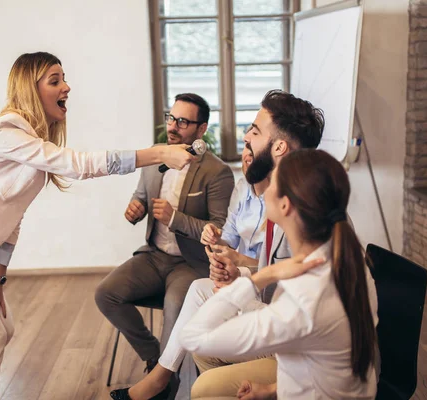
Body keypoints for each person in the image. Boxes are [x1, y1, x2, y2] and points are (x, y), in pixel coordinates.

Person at [0, 52, 195, 400]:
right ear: (30, 88)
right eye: (55, 80)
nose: (67, 87)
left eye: (63, 78)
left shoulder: (32, 143)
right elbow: (79, 165)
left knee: (0, 330)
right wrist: (157, 153)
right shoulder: (8, 131)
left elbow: (14, 214)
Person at [110, 89, 323, 400]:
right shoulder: (273, 196)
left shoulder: (305, 210)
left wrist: (241, 272)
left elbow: (298, 291)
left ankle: (164, 382)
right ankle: (164, 379)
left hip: (294, 339)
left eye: (255, 130)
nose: (246, 138)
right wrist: (230, 265)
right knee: (201, 297)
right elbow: (256, 260)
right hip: (273, 314)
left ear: (279, 147)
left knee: (198, 304)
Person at [181, 149, 379, 400]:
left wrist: (258, 279)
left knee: (201, 394)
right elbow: (317, 362)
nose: (264, 185)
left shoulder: (303, 300)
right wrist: (271, 390)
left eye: (273, 181)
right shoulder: (348, 258)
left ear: (285, 205)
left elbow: (193, 336)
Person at [95, 93, 234, 394]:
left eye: (183, 121)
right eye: (172, 118)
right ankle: (154, 359)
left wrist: (175, 219)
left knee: (175, 304)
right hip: (153, 257)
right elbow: (141, 196)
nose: (173, 126)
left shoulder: (216, 171)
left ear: (201, 129)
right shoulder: (155, 158)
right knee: (105, 294)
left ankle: (164, 388)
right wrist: (135, 208)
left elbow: (219, 231)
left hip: (190, 264)